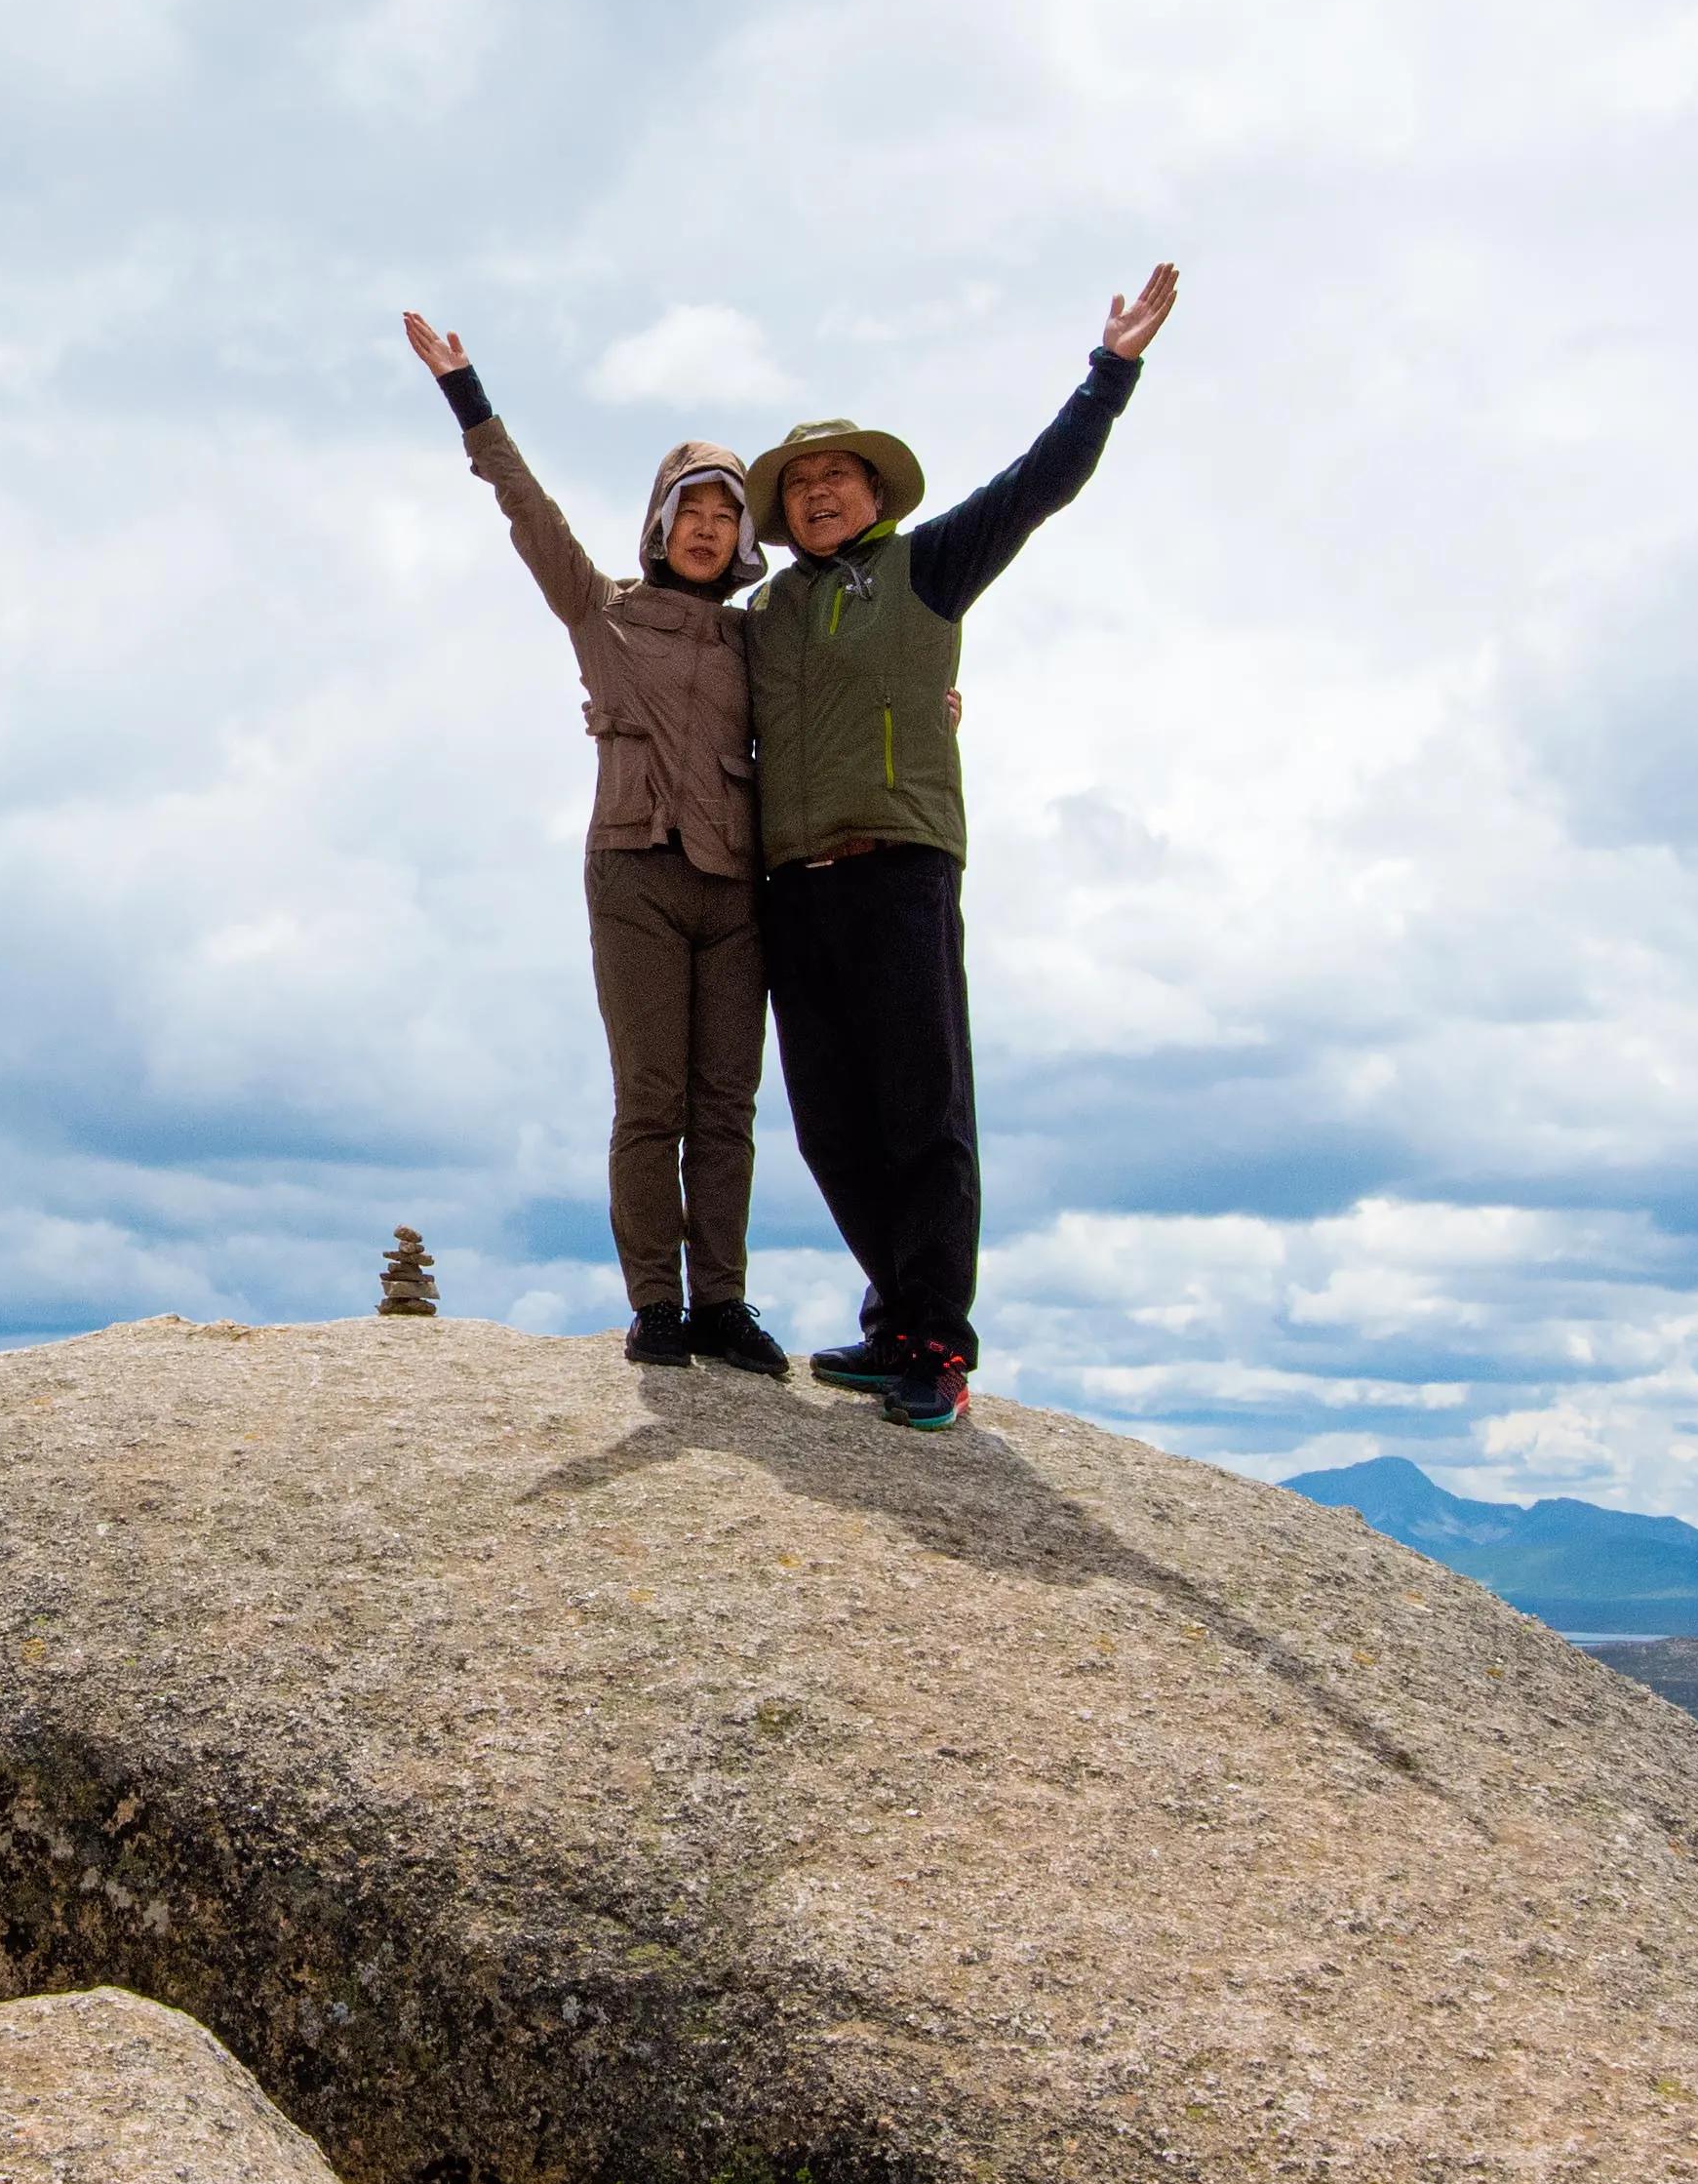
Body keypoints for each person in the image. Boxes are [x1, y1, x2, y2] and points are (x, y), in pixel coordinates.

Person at [744, 261, 1178, 1429]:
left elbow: (1039, 485)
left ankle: (937, 1336)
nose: (819, 494)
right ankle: (893, 1314)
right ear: (779, 514)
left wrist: (1110, 372)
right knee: (830, 1119)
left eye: (837, 476)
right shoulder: (765, 618)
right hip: (789, 886)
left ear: (873, 489)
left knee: (923, 1109)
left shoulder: (925, 565)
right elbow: (674, 672)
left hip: (898, 866)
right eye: (800, 485)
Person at [402, 310, 790, 1374]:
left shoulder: (765, 640)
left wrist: (931, 699)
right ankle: (656, 1305)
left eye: (725, 512)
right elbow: (529, 514)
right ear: (657, 526)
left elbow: (845, 692)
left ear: (744, 536)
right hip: (633, 872)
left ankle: (722, 1302)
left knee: (726, 1107)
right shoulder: (603, 610)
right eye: (689, 509)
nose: (707, 527)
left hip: (736, 887)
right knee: (650, 1101)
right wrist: (468, 397)